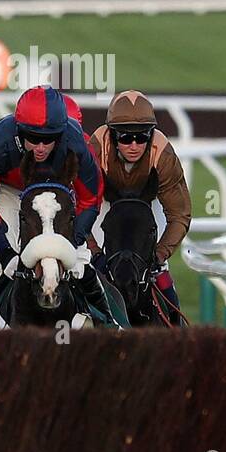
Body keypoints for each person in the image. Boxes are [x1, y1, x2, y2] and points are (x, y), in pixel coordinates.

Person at [0, 85, 109, 324]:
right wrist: (4, 250)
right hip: (10, 192)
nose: (40, 147)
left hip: (59, 194)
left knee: (80, 264)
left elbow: (90, 199)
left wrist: (72, 243)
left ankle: (112, 327)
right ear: (20, 131)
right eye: (33, 139)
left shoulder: (77, 145)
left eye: (49, 139)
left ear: (60, 134)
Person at [88, 90, 190, 316]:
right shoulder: (95, 149)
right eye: (125, 138)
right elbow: (78, 207)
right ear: (113, 136)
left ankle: (174, 328)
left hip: (148, 205)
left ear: (151, 135)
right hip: (103, 205)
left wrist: (159, 255)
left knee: (158, 269)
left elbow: (179, 215)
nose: (134, 145)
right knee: (87, 268)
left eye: (142, 137)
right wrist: (95, 252)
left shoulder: (163, 155)